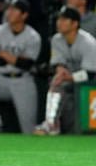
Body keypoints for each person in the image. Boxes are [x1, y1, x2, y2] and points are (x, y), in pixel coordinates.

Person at [0, 0, 41, 134]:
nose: (9, 12)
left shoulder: (33, 36)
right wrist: (16, 59)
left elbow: (27, 64)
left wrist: (4, 54)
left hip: (22, 81)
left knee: (28, 129)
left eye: (14, 9)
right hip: (0, 80)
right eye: (8, 9)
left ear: (24, 15)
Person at [34, 7, 96, 135]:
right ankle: (51, 124)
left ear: (75, 24)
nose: (59, 22)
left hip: (91, 83)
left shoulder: (88, 42)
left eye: (64, 19)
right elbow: (58, 63)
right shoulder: (57, 39)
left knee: (81, 127)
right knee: (56, 82)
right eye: (59, 19)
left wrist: (67, 77)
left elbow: (90, 73)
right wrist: (60, 73)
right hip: (71, 81)